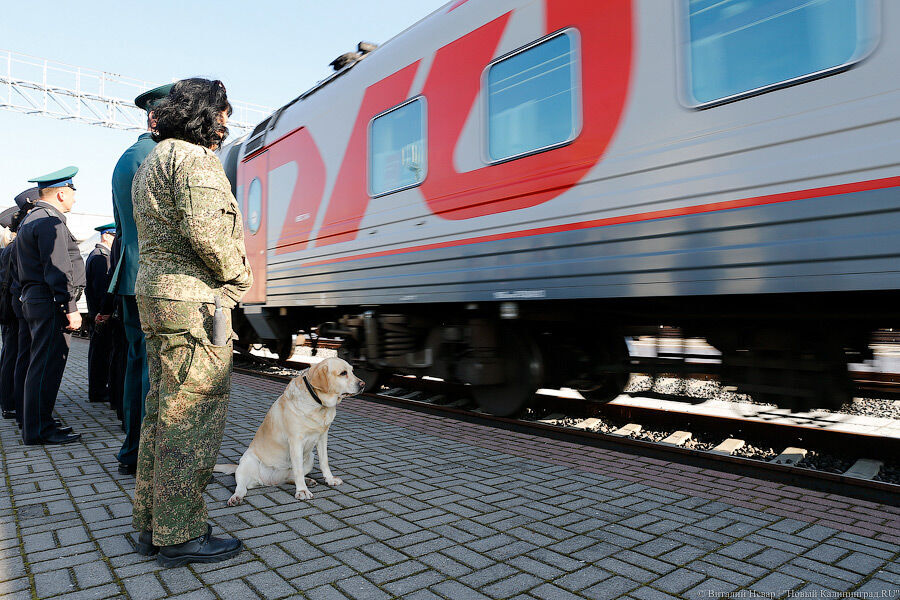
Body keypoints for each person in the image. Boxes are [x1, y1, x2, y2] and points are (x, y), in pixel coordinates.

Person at [131, 78, 252, 567]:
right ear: (204, 112)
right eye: (222, 112)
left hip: (160, 298)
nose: (226, 122)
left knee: (161, 414)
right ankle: (181, 534)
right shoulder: (194, 159)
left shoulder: (152, 161)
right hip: (195, 304)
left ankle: (149, 524)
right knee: (192, 416)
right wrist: (240, 276)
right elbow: (207, 230)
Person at [101, 82, 172, 476]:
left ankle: (132, 448)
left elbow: (120, 226)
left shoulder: (128, 157)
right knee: (151, 371)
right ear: (160, 118)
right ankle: (145, 454)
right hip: (153, 277)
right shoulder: (157, 158)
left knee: (136, 365)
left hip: (130, 274)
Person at [16, 167, 85, 445]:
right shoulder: (49, 222)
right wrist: (70, 306)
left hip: (37, 299)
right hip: (49, 302)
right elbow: (56, 268)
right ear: (61, 193)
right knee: (46, 366)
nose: (74, 200)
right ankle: (39, 429)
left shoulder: (33, 218)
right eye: (72, 194)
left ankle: (39, 423)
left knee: (40, 364)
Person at [85, 223, 116, 404]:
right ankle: (97, 391)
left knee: (100, 352)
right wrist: (102, 313)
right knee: (100, 355)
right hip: (99, 315)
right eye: (113, 236)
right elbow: (101, 289)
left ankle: (97, 390)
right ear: (106, 236)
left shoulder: (98, 255)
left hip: (96, 314)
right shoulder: (101, 257)